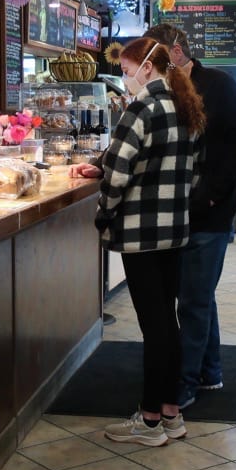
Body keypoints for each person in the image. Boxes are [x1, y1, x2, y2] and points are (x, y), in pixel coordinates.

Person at [70, 36, 205, 445]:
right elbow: (187, 170)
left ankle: (147, 422)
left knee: (154, 327)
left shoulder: (142, 107)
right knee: (168, 321)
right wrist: (102, 166)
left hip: (141, 233)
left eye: (127, 72)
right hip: (174, 230)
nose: (125, 80)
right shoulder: (185, 105)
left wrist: (104, 212)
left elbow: (119, 172)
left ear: (147, 67)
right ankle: (171, 413)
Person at [145, 23, 236, 409]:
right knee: (198, 294)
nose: (149, 67)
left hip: (207, 213)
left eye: (154, 58)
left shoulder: (218, 85)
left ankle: (185, 385)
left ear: (176, 53)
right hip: (174, 212)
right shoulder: (162, 90)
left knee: (191, 300)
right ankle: (209, 371)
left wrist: (208, 195)